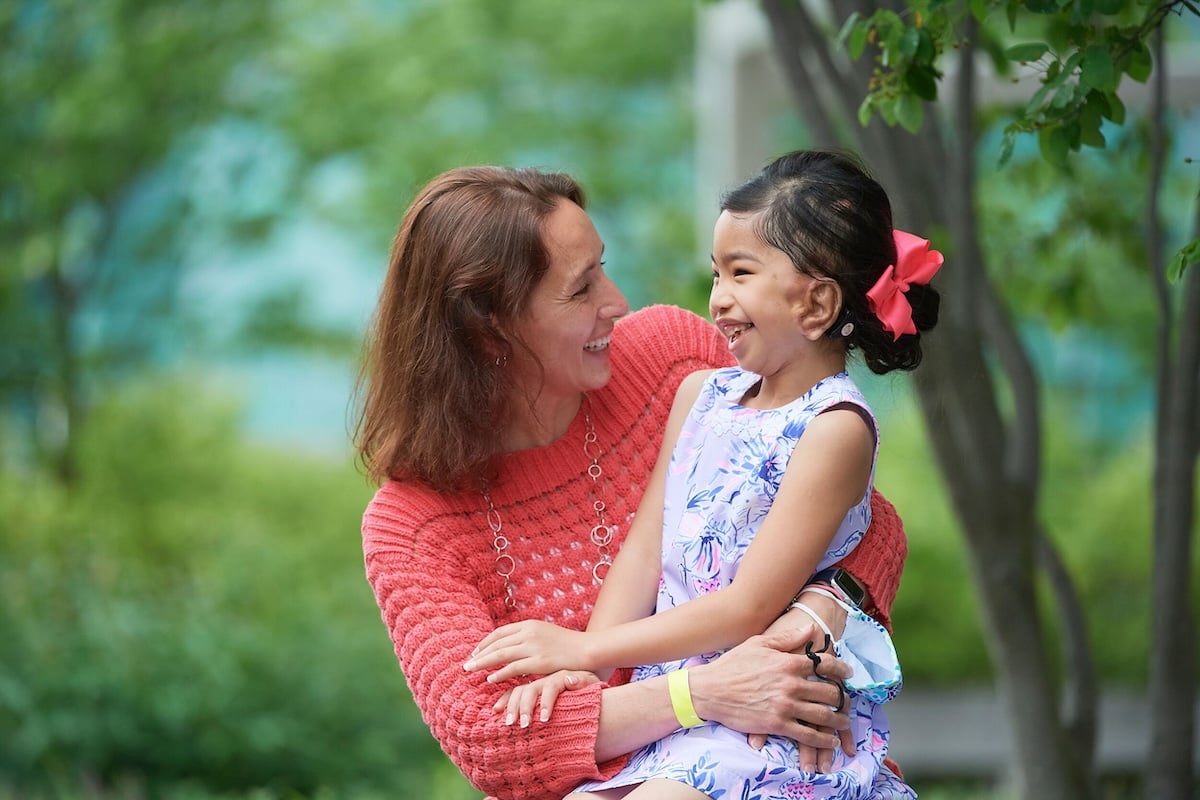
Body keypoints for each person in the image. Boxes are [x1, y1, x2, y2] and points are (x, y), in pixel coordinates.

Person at [354, 161, 912, 800]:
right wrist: (694, 691)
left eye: (603, 267)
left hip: (767, 748)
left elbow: (869, 524)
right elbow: (495, 739)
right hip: (645, 768)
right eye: (581, 288)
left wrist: (815, 616)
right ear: (491, 325)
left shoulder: (671, 356)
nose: (617, 302)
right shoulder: (414, 526)